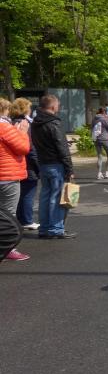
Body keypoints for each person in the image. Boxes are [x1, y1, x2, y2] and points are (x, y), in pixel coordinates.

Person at [31, 94, 76, 239]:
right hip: (56, 164)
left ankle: (44, 228)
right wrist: (69, 168)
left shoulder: (35, 123)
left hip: (43, 163)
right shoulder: (54, 123)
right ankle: (56, 228)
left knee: (45, 196)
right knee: (56, 197)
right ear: (53, 106)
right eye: (58, 105)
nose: (59, 107)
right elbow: (62, 147)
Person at [0, 98, 31, 260]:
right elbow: (23, 148)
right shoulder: (4, 127)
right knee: (8, 215)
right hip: (8, 176)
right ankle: (8, 248)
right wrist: (23, 133)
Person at [10, 98, 39, 231]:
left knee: (20, 193)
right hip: (28, 164)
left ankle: (20, 219)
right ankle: (26, 220)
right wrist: (38, 166)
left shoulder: (10, 122)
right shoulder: (25, 124)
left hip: (15, 164)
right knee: (28, 193)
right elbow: (30, 147)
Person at [91, 107, 108, 180]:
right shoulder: (105, 119)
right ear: (104, 112)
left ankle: (99, 173)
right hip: (105, 139)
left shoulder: (94, 119)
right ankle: (107, 172)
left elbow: (92, 128)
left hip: (96, 139)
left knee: (99, 156)